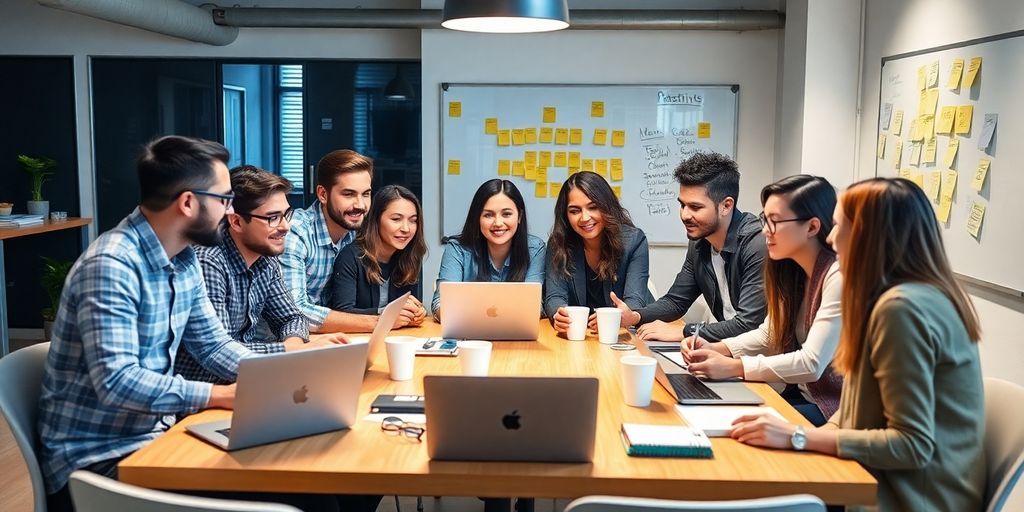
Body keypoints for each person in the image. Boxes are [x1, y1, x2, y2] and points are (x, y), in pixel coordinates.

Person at [730, 178, 984, 511]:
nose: (832, 239)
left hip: (912, 497)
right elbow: (849, 412)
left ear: (871, 237)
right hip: (882, 479)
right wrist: (794, 433)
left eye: (839, 226)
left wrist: (798, 436)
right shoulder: (895, 298)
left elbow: (913, 445)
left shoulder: (902, 309)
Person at [36, 136, 251, 511]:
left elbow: (213, 345)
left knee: (317, 486)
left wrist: (278, 376)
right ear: (188, 202)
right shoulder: (110, 266)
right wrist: (218, 396)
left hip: (155, 438)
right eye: (224, 198)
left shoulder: (184, 259)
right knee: (296, 495)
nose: (230, 210)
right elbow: (118, 383)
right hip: (96, 463)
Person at [683, 175, 842, 426]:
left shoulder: (837, 275)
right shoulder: (790, 269)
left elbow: (812, 363)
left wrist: (734, 366)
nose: (765, 230)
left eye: (774, 221)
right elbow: (769, 334)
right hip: (798, 396)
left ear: (812, 227)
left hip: (831, 409)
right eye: (764, 220)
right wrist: (717, 349)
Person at [175, 165, 349, 384]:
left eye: (286, 214)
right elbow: (221, 353)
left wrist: (294, 346)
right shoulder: (208, 262)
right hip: (205, 394)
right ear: (236, 221)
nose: (286, 226)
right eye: (273, 218)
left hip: (250, 381)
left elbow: (291, 317)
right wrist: (288, 351)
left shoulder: (265, 258)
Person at [611, 152, 767, 342]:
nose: (685, 215)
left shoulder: (756, 243)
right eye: (682, 205)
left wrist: (686, 332)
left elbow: (749, 324)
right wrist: (636, 316)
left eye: (695, 207)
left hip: (761, 357)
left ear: (726, 206)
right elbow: (676, 302)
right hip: (728, 349)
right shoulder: (700, 242)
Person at [543, 171, 654, 334]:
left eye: (593, 207)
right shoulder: (558, 243)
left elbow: (635, 300)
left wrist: (615, 316)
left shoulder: (634, 241)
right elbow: (554, 296)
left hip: (628, 331)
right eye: (575, 211)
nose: (584, 218)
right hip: (580, 333)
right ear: (566, 215)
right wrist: (558, 314)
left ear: (607, 207)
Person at [279, 149, 378, 332]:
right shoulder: (296, 232)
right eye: (348, 194)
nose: (361, 205)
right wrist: (376, 322)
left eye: (365, 194)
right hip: (280, 344)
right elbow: (294, 310)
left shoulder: (354, 230)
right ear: (323, 194)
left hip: (327, 339)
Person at [432, 179, 546, 320]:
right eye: (488, 215)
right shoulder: (457, 249)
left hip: (516, 334)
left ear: (519, 217)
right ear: (477, 218)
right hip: (468, 335)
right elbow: (440, 303)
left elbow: (535, 307)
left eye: (506, 214)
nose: (498, 223)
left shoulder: (535, 249)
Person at [330, 184, 427, 326]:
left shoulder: (411, 256)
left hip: (398, 339)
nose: (406, 229)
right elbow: (341, 313)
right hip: (358, 341)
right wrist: (388, 314)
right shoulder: (350, 256)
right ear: (376, 220)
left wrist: (417, 312)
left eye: (413, 220)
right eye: (396, 219)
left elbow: (411, 305)